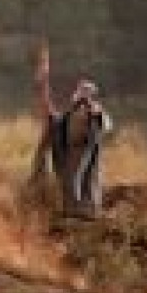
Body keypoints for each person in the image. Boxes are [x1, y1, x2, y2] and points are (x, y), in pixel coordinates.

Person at [31, 43, 113, 219]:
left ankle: (84, 212)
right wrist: (43, 83)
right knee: (67, 182)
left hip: (83, 152)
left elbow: (104, 124)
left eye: (85, 92)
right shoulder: (71, 113)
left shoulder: (94, 111)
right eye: (80, 91)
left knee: (80, 183)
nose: (80, 94)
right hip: (69, 152)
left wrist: (93, 111)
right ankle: (72, 212)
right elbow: (55, 119)